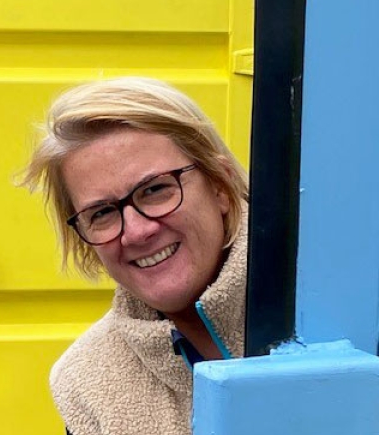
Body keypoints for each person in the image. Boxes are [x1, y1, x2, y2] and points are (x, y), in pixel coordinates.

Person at [22, 77, 249, 434]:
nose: (138, 231)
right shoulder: (87, 383)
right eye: (102, 213)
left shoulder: (336, 305)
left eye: (156, 189)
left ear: (220, 184)